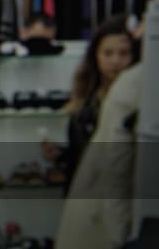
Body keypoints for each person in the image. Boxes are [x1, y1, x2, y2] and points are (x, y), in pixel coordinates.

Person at [42, 15, 136, 189]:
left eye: (124, 53)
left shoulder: (138, 101)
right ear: (96, 56)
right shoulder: (85, 101)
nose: (115, 61)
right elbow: (80, 155)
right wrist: (60, 154)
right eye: (107, 53)